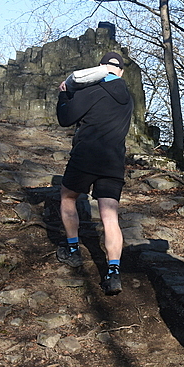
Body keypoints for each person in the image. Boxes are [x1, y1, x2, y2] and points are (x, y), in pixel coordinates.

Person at [56, 51, 132, 296]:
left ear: (100, 67)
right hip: (114, 161)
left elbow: (65, 118)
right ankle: (113, 272)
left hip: (86, 156)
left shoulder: (92, 91)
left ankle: (72, 249)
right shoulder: (128, 98)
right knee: (110, 217)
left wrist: (64, 94)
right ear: (121, 72)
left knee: (68, 197)